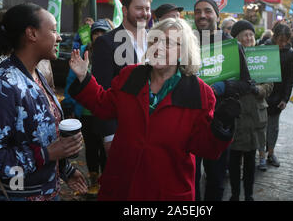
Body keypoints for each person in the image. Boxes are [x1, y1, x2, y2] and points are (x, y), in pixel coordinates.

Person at [68, 18, 237, 200]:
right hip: (122, 186)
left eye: (169, 43)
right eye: (155, 40)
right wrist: (84, 77)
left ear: (184, 51)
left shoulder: (200, 93)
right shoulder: (130, 75)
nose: (160, 47)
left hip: (167, 191)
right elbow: (103, 106)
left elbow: (205, 148)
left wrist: (221, 126)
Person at [0, 3, 87, 201]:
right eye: (54, 30)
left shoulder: (36, 75)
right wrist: (47, 154)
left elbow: (38, 139)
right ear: (32, 34)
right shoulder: (2, 86)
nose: (59, 37)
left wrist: (64, 169)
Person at [193, 0, 252, 201]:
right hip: (190, 122)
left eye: (208, 11)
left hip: (220, 121)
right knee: (190, 179)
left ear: (217, 16)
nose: (202, 15)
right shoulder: (186, 44)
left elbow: (247, 83)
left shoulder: (231, 45)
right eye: (198, 11)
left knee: (216, 179)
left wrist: (222, 87)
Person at [90, 0, 152, 155]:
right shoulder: (106, 42)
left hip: (153, 129)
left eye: (147, 8)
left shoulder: (156, 39)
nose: (145, 13)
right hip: (122, 130)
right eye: (139, 8)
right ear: (125, 10)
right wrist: (109, 135)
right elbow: (102, 91)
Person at [62, 19, 113, 197]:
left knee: (107, 149)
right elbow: (70, 81)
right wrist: (68, 104)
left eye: (102, 33)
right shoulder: (83, 52)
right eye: (96, 33)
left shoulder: (115, 52)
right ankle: (93, 182)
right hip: (86, 111)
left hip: (108, 110)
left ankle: (107, 182)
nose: (99, 36)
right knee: (91, 148)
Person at [228, 20, 273, 200]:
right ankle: (234, 194)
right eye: (244, 35)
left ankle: (248, 194)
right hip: (236, 115)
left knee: (250, 159)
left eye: (251, 35)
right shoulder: (230, 56)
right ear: (237, 38)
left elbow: (269, 85)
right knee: (233, 159)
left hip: (255, 115)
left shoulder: (262, 55)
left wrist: (258, 90)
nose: (248, 38)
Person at [263, 23, 293, 167]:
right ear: (274, 37)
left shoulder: (290, 52)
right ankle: (260, 155)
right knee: (260, 126)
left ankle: (271, 153)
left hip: (278, 94)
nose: (282, 44)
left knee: (273, 126)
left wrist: (285, 98)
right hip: (263, 93)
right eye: (280, 40)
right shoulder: (264, 48)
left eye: (285, 41)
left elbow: (290, 77)